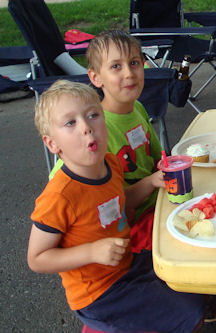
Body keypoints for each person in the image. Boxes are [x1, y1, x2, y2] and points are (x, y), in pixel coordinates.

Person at [29, 80, 205, 332]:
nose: (87, 128)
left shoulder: (110, 164)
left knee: (192, 277)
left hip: (127, 263)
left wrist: (151, 182)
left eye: (92, 115)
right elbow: (37, 259)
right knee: (189, 313)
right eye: (71, 123)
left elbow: (121, 200)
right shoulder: (59, 196)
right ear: (52, 144)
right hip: (99, 293)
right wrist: (90, 252)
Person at [49, 30, 164, 253]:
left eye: (134, 63)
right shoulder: (95, 129)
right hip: (134, 229)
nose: (129, 73)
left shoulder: (138, 108)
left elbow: (159, 159)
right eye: (116, 67)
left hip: (160, 205)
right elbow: (60, 178)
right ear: (95, 78)